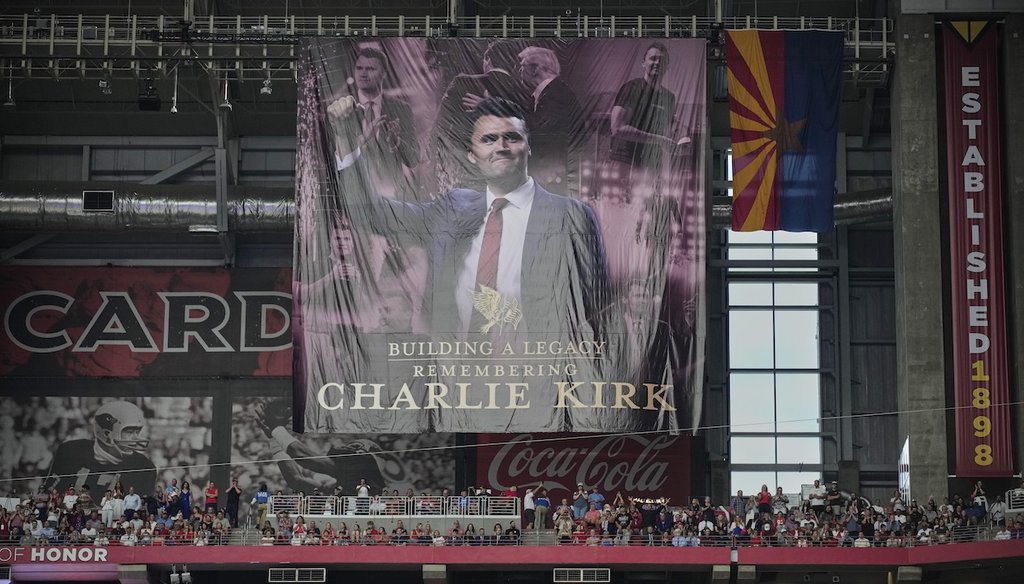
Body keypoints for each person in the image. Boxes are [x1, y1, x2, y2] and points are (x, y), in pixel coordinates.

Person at [327, 95, 612, 431]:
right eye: (488, 139)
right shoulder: (452, 209)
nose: (501, 146)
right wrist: (346, 137)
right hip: (456, 385)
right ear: (472, 155)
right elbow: (370, 213)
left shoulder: (571, 215)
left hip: (538, 384)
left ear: (528, 148)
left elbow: (595, 304)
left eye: (512, 137)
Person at [44, 401, 156, 496]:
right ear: (107, 434)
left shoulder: (144, 467)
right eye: (129, 431)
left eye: (137, 431)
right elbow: (49, 493)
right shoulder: (70, 451)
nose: (136, 438)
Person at [608, 42, 687, 175]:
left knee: (650, 197)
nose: (657, 63)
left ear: (667, 66)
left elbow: (668, 130)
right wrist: (659, 140)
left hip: (651, 166)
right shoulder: (632, 88)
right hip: (625, 162)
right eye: (653, 58)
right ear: (643, 62)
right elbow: (617, 129)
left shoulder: (669, 98)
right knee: (622, 197)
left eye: (661, 60)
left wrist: (682, 137)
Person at [516, 45, 585, 193]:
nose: (519, 71)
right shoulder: (550, 93)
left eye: (522, 66)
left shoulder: (557, 95)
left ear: (535, 69)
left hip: (551, 180)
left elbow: (539, 131)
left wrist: (496, 106)